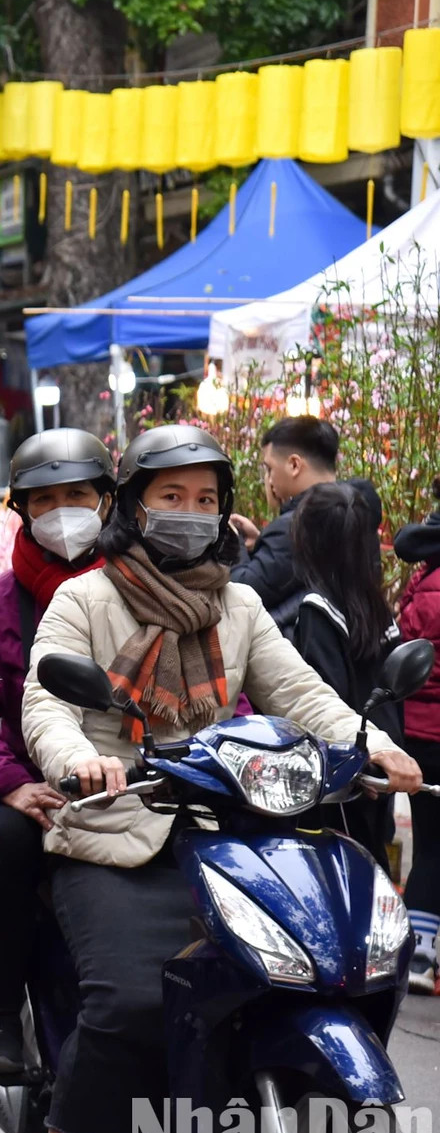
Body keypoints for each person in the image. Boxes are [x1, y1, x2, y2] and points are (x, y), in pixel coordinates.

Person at [22, 424, 423, 1133]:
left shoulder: (236, 603)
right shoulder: (86, 597)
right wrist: (81, 760)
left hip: (231, 831)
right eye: (172, 495)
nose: (191, 510)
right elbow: (46, 700)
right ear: (134, 506)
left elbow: (301, 691)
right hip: (116, 826)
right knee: (132, 1002)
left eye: (206, 498)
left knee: (303, 969)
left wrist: (370, 742)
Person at [0, 429, 113, 1077]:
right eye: (44, 500)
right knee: (12, 842)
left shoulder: (140, 588)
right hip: (34, 787)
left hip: (130, 777)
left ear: (107, 500)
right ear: (20, 510)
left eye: (75, 495)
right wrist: (13, 783)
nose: (61, 511)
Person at [288, 484, 406, 866]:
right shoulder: (377, 607)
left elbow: (321, 694)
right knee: (375, 861)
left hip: (345, 776)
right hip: (382, 759)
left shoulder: (318, 609)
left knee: (345, 870)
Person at [230, 416, 383, 629]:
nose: (269, 479)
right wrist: (262, 543)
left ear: (294, 465)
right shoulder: (357, 511)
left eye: (269, 469)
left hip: (303, 654)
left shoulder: (298, 525)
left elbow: (242, 592)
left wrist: (233, 540)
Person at [393, 482, 440, 993]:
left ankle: (419, 949)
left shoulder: (422, 580)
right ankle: (424, 957)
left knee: (430, 841)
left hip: (419, 729)